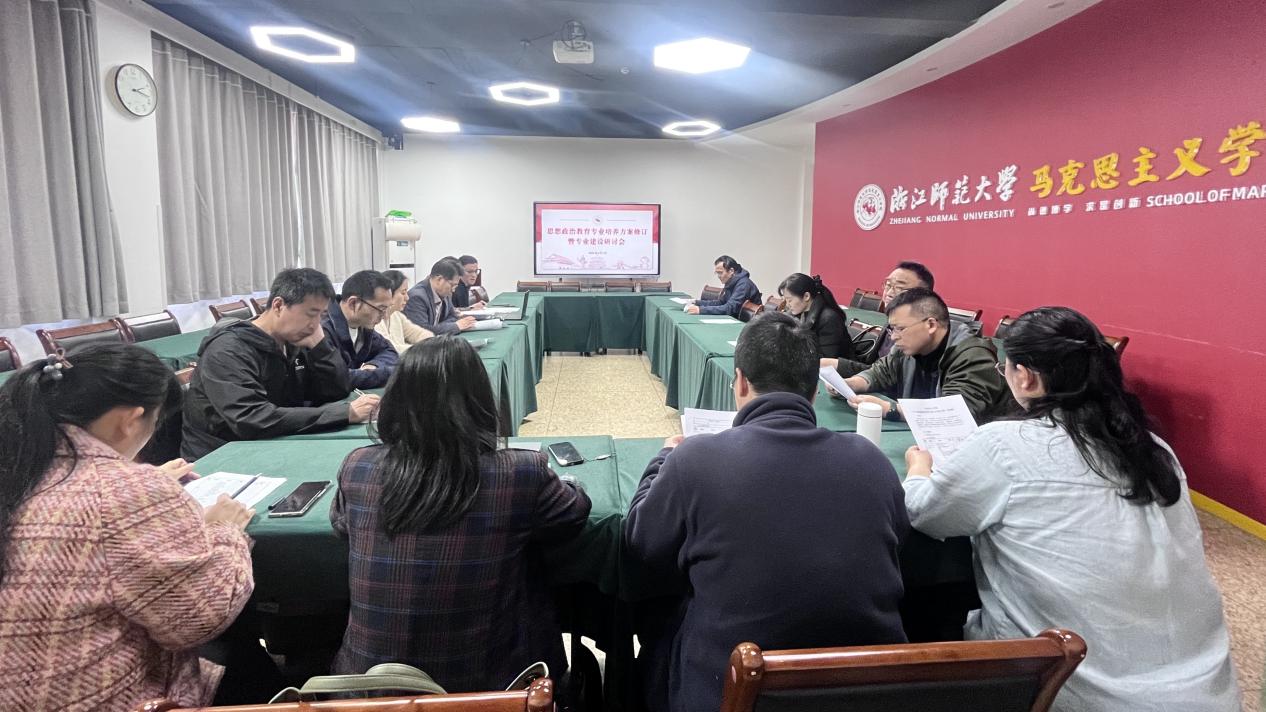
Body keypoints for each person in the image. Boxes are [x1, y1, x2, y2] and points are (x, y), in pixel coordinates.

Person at [902, 307, 1240, 711]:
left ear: (1026, 377)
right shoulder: (1155, 450)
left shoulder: (1003, 444)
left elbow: (926, 514)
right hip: (1208, 691)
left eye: (1004, 367)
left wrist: (918, 471)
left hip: (1069, 692)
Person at [624, 312, 908, 712]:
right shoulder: (872, 459)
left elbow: (642, 541)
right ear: (814, 392)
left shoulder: (695, 458)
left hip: (732, 691)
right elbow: (900, 539)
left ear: (740, 382)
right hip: (869, 693)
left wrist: (663, 459)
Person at [0, 344, 255, 711]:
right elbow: (199, 619)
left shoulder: (18, 465)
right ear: (131, 420)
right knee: (242, 654)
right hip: (108, 700)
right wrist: (224, 531)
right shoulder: (123, 491)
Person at [330, 337, 591, 691]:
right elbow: (574, 512)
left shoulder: (358, 465)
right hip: (488, 692)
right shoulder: (519, 472)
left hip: (367, 691)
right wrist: (570, 482)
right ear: (480, 401)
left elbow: (341, 524)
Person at [182, 268, 380, 459]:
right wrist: (343, 413)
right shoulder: (227, 351)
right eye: (311, 314)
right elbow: (250, 418)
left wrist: (320, 348)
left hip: (274, 443)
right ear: (278, 306)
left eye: (321, 315)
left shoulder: (293, 341)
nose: (315, 325)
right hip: (221, 456)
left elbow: (337, 390)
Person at [828, 287, 1012, 424]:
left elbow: (954, 414)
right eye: (892, 329)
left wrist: (890, 409)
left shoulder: (973, 356)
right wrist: (852, 384)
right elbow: (881, 372)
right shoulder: (909, 347)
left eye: (900, 328)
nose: (893, 337)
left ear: (931, 325)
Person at [836, 261, 936, 374]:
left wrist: (840, 365)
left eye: (899, 288)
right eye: (888, 285)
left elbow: (893, 377)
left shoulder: (921, 335)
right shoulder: (892, 322)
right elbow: (876, 365)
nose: (889, 293)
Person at [320, 269, 398, 389]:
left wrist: (374, 365)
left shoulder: (363, 326)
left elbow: (389, 351)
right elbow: (335, 379)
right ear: (353, 303)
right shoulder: (322, 330)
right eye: (381, 309)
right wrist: (382, 374)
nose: (385, 316)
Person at [778, 272, 855, 360]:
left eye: (790, 300)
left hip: (835, 367)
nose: (787, 305)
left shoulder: (829, 319)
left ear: (806, 296)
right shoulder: (797, 313)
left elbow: (826, 359)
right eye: (785, 300)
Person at [403, 258, 477, 335]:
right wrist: (456, 326)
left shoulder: (444, 291)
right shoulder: (417, 297)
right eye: (452, 285)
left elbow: (453, 316)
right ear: (439, 280)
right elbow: (422, 332)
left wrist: (438, 327)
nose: (453, 290)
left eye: (455, 286)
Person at [374, 269, 434, 353]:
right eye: (403, 293)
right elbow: (390, 349)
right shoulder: (374, 321)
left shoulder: (396, 315)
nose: (407, 298)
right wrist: (423, 348)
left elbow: (419, 333)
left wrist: (431, 344)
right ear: (389, 293)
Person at [686, 255, 761, 318]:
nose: (718, 276)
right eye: (717, 273)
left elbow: (729, 309)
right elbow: (721, 302)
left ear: (731, 271)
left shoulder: (743, 284)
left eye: (720, 273)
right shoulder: (731, 281)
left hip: (746, 325)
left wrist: (701, 310)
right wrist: (696, 302)